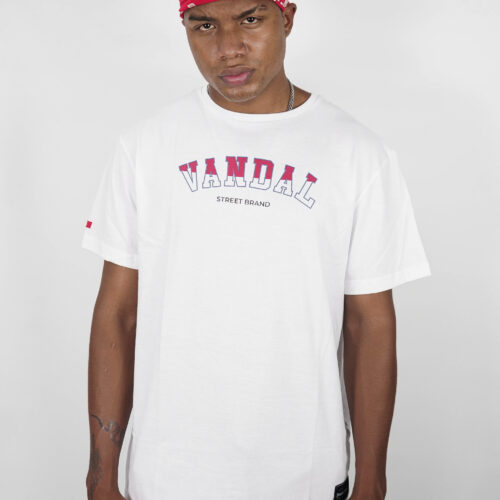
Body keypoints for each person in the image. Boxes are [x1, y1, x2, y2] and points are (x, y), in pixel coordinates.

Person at [81, 1, 432, 499]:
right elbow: (118, 314)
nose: (228, 48)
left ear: (286, 19)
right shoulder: (145, 146)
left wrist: (372, 482)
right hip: (167, 475)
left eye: (250, 19)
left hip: (304, 475)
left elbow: (369, 325)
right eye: (205, 25)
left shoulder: (358, 154)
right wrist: (100, 478)